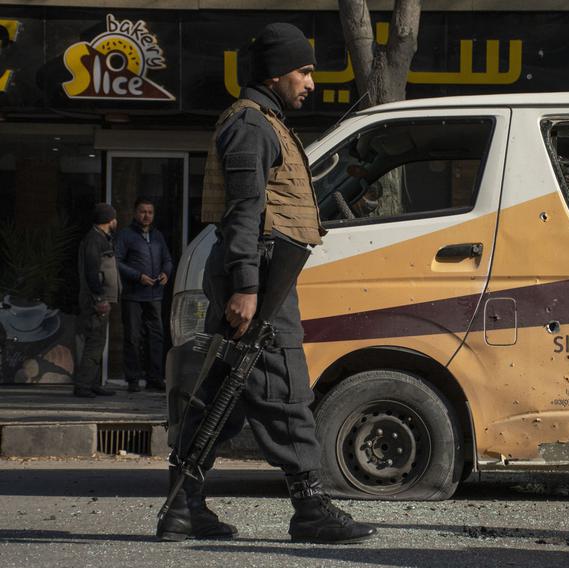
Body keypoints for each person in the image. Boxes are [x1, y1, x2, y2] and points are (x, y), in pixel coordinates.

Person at [157, 23, 376, 544]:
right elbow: (244, 211)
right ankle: (310, 508)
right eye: (304, 71)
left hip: (260, 272)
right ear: (277, 73)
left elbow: (272, 204)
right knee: (284, 387)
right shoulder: (252, 126)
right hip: (259, 275)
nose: (311, 83)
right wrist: (247, 286)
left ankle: (182, 508)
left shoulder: (265, 122)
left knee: (219, 392)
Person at [114, 198, 173, 393]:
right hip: (133, 295)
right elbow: (117, 261)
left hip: (155, 295)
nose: (146, 215)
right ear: (134, 213)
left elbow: (168, 259)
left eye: (150, 212)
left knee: (156, 337)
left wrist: (166, 272)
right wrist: (138, 276)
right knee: (133, 337)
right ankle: (132, 379)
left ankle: (154, 378)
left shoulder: (158, 236)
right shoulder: (125, 235)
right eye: (142, 211)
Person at [73, 202, 120, 398]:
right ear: (109, 220)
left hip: (99, 299)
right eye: (114, 217)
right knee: (94, 342)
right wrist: (100, 297)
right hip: (95, 301)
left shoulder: (101, 239)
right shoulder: (94, 240)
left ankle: (93, 383)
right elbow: (92, 272)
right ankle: (83, 385)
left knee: (98, 342)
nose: (116, 221)